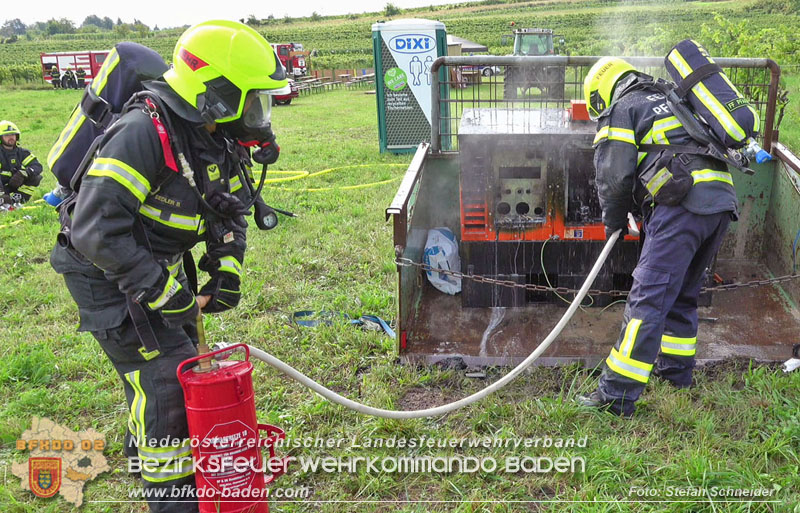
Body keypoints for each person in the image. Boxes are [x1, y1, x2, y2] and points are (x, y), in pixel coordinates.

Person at [50, 20, 288, 512]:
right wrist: (163, 293)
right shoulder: (142, 132)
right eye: (254, 101)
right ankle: (172, 498)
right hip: (101, 271)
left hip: (150, 261)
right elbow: (94, 231)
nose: (261, 117)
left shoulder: (213, 134)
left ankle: (152, 455)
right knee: (166, 379)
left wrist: (227, 269)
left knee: (170, 367)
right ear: (214, 94)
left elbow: (231, 208)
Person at [576, 57, 738, 417]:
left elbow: (614, 177)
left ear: (601, 96)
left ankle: (616, 396)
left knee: (647, 302)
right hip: (721, 202)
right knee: (682, 294)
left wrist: (614, 223)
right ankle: (677, 375)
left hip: (681, 208)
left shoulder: (623, 107)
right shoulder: (672, 97)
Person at [0, 120, 43, 205]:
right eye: (7, 135)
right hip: (1, 186)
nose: (11, 137)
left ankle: (17, 201)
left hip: (14, 184)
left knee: (36, 178)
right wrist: (2, 194)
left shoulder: (22, 152)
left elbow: (37, 166)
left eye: (13, 134)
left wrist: (23, 173)